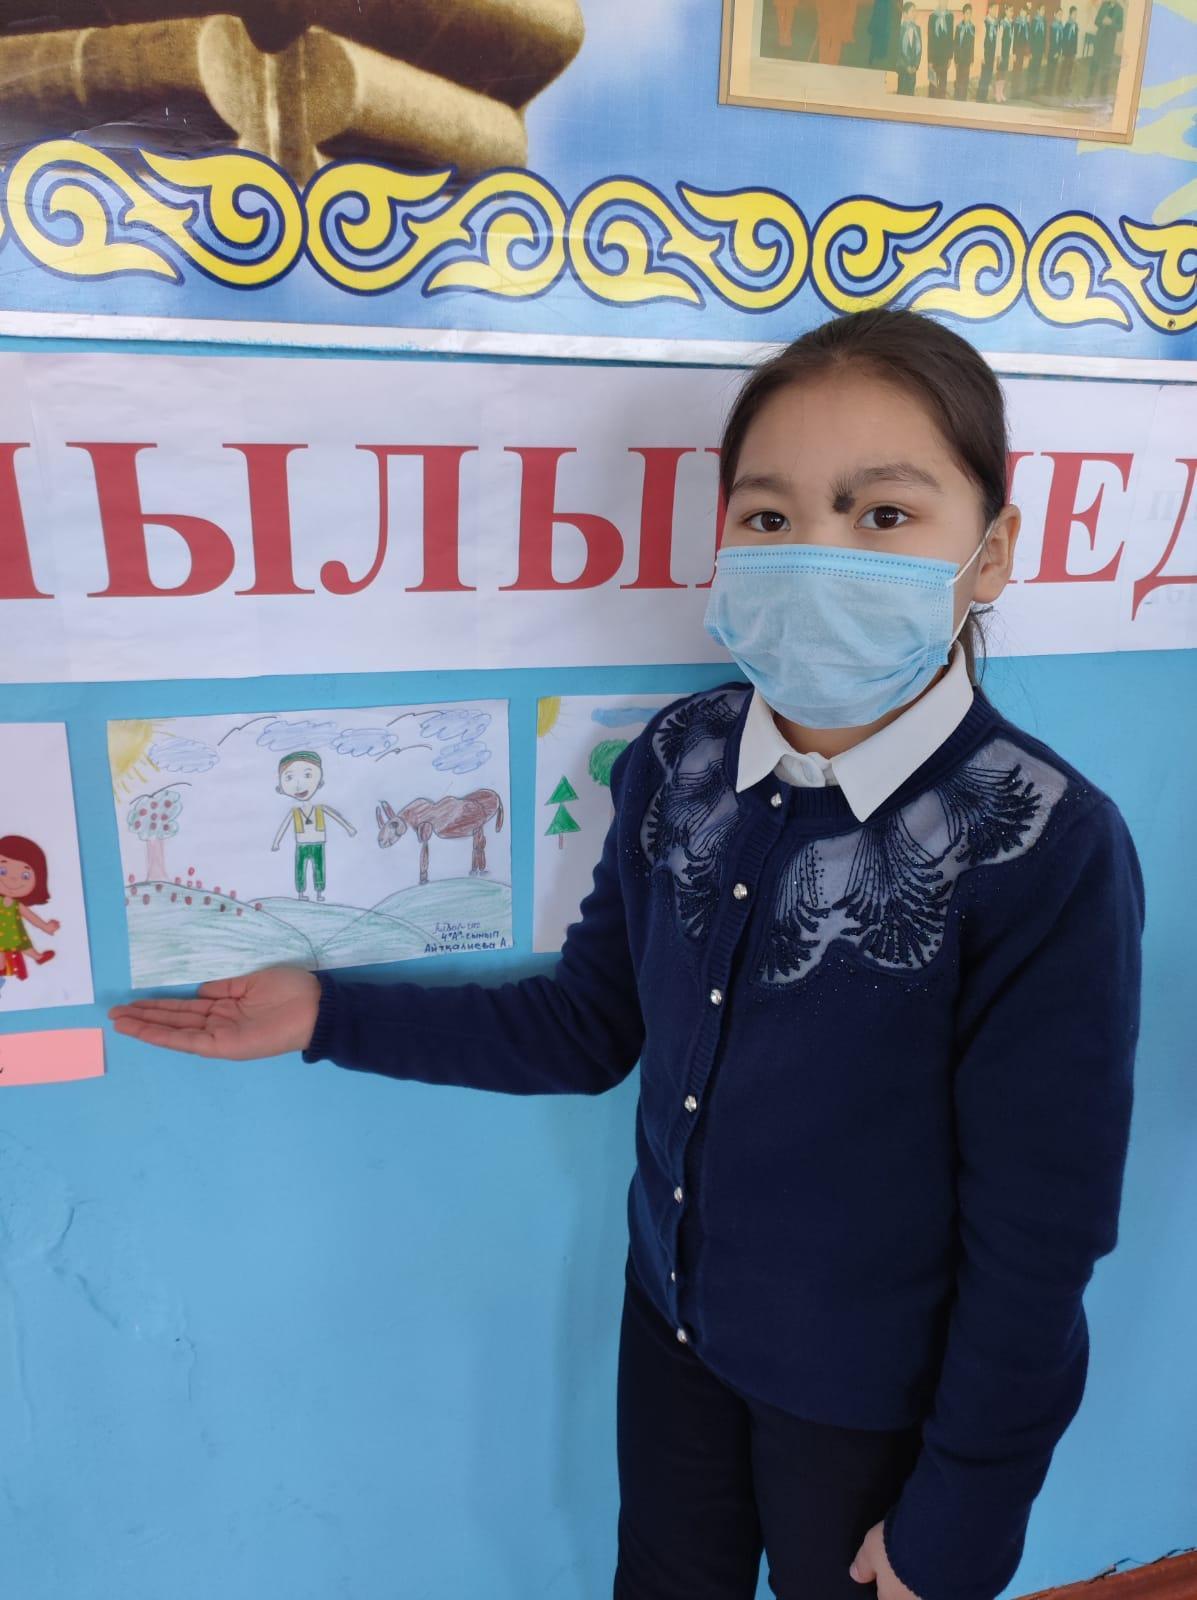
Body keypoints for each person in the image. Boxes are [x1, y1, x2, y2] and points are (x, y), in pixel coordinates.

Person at [109, 307, 1146, 1600]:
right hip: (672, 1332)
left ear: (989, 555)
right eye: (769, 516)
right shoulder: (679, 758)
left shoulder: (1045, 843)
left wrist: (966, 1509)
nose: (817, 553)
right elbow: (587, 1026)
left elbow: (1039, 1236)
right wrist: (327, 1013)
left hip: (873, 1406)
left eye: (882, 514)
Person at [269, 750, 356, 902]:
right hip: (301, 844)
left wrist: (349, 828)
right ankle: (301, 893)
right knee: (300, 868)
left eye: (308, 775)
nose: (299, 785)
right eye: (289, 778)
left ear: (320, 781)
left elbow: (336, 816)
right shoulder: (294, 811)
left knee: (319, 867)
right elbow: (283, 827)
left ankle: (319, 893)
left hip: (318, 843)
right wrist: (276, 842)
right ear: (281, 787)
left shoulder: (321, 808)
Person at [0, 835, 59, 985]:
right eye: (3, 871)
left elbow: (31, 917)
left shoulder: (16, 905)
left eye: (25, 875)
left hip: (15, 933)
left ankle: (38, 957)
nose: (13, 880)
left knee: (24, 945)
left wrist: (45, 927)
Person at [927, 1, 955, 94]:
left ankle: (941, 99)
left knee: (943, 83)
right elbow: (930, 39)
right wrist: (930, 60)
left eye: (946, 1)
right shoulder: (932, 17)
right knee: (933, 84)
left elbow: (951, 37)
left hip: (945, 57)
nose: (945, 3)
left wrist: (950, 57)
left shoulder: (950, 16)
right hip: (934, 56)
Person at [897, 0, 923, 92]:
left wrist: (915, 65)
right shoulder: (899, 29)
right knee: (902, 91)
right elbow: (897, 51)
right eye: (912, 11)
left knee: (911, 91)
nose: (915, 13)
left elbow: (919, 49)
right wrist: (906, 66)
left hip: (913, 69)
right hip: (902, 68)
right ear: (905, 14)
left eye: (915, 11)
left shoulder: (917, 29)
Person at [977, 0, 1000, 99]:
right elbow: (981, 40)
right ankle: (980, 97)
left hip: (992, 53)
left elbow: (997, 40)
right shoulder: (985, 22)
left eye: (997, 9)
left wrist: (996, 54)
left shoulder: (996, 24)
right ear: (989, 9)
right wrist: (982, 56)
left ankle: (984, 96)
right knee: (984, 75)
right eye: (994, 9)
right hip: (985, 53)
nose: (996, 11)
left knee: (989, 75)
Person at [953, 2, 977, 95]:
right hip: (959, 58)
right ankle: (957, 97)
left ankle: (963, 97)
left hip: (967, 58)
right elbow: (956, 44)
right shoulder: (959, 27)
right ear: (963, 14)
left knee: (965, 79)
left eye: (970, 13)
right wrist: (956, 59)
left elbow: (972, 44)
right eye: (967, 13)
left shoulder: (972, 28)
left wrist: (972, 59)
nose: (968, 15)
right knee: (959, 79)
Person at [1059, 3, 1080, 92]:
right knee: (1064, 69)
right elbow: (1064, 39)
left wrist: (1075, 51)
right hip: (1067, 51)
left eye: (1076, 14)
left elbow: (1075, 40)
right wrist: (1063, 52)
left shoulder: (1076, 26)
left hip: (1072, 52)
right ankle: (1060, 86)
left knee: (1070, 70)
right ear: (1070, 14)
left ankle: (1067, 85)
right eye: (1074, 14)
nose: (1075, 16)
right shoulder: (1067, 25)